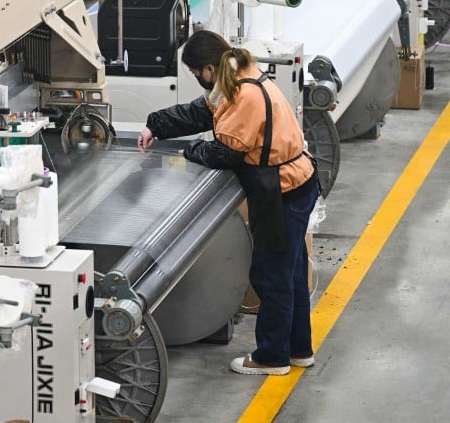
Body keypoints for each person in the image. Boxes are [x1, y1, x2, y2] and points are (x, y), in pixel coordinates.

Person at [137, 30, 320, 375]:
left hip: (283, 191)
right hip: (297, 185)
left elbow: (227, 152)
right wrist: (155, 126)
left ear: (208, 67)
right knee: (291, 273)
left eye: (195, 73)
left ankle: (272, 357)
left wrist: (190, 151)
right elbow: (201, 113)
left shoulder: (245, 95)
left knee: (272, 275)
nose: (196, 80)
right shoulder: (237, 79)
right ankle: (298, 350)